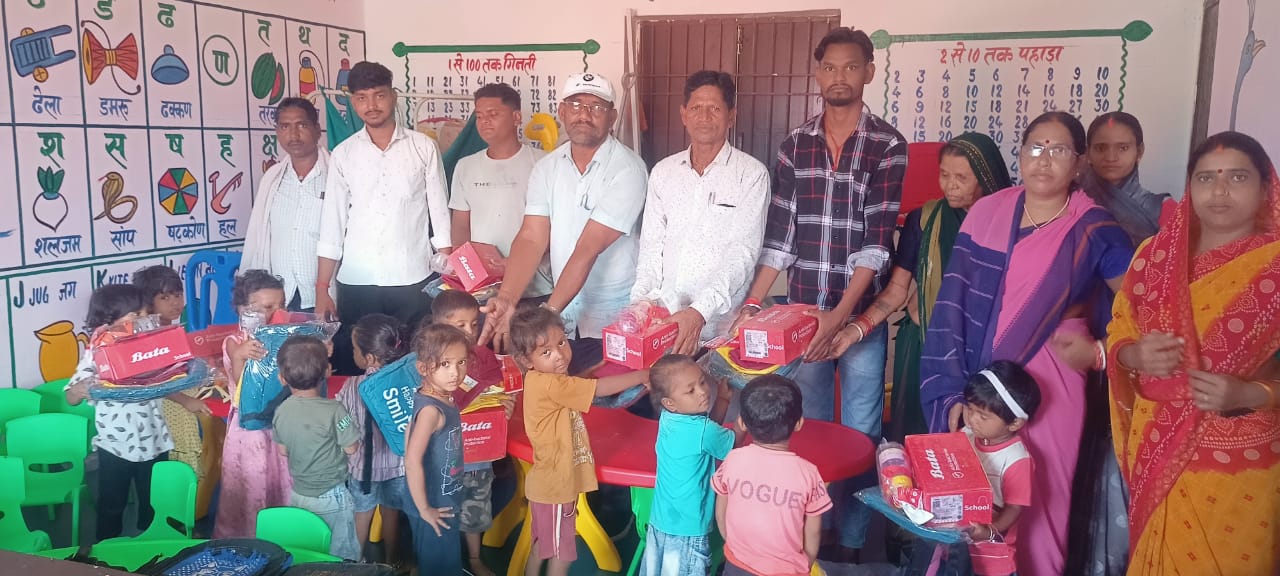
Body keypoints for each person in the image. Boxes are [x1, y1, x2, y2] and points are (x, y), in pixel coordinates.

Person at [920, 111, 1135, 576]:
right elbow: (951, 307)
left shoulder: (1094, 227)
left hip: (1055, 385)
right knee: (979, 491)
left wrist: (1100, 348)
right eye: (1035, 147)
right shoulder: (988, 211)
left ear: (1078, 163)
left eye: (1059, 150)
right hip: (982, 386)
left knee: (1044, 498)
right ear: (1020, 154)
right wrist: (953, 388)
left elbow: (1143, 304)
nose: (1044, 160)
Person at [731, 27, 907, 558]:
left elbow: (877, 244)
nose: (839, 77)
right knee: (808, 426)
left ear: (869, 73)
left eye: (850, 67)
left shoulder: (887, 145)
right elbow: (781, 239)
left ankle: (852, 539)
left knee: (858, 428)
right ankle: (813, 528)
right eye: (829, 67)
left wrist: (842, 318)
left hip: (857, 320)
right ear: (818, 74)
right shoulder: (796, 144)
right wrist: (753, 305)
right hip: (804, 317)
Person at [1109, 131, 1280, 576]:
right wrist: (1133, 356)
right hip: (1154, 446)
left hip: (1237, 464)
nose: (1219, 190)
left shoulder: (1276, 266)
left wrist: (1252, 393)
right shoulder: (1154, 255)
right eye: (1205, 178)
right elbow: (1119, 330)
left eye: (1237, 177)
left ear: (1266, 187)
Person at [831, 132, 1011, 441]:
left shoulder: (1011, 223)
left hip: (985, 351)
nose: (949, 185)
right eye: (944, 174)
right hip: (923, 347)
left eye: (961, 178)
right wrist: (855, 329)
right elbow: (897, 290)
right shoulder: (926, 219)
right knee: (917, 435)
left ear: (986, 177)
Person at [480, 73, 648, 376]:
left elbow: (588, 247)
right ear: (562, 112)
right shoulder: (547, 168)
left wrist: (548, 313)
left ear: (612, 117)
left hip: (614, 318)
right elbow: (532, 237)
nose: (584, 114)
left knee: (608, 403)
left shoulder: (628, 169)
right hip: (565, 317)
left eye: (597, 107)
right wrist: (506, 299)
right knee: (567, 405)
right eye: (576, 104)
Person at [317, 61, 452, 375]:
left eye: (378, 95)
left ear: (393, 96)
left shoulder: (422, 148)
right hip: (356, 282)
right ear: (353, 102)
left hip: (412, 280)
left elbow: (440, 215)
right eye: (362, 98)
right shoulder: (344, 154)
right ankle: (357, 424)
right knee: (354, 367)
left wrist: (446, 270)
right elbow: (332, 226)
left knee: (413, 366)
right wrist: (322, 288)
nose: (371, 105)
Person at [631, 71, 770, 354]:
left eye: (715, 108)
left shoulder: (751, 174)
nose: (704, 116)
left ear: (731, 115)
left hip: (720, 325)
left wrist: (699, 311)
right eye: (696, 108)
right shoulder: (663, 172)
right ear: (683, 114)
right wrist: (642, 302)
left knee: (714, 395)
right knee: (666, 397)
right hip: (664, 321)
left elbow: (743, 252)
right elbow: (651, 245)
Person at [509, 306, 651, 576]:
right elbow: (599, 389)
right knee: (562, 553)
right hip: (557, 487)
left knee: (544, 544)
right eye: (546, 352)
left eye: (561, 342)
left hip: (549, 485)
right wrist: (643, 375)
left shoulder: (543, 379)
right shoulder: (553, 385)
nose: (560, 355)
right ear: (526, 360)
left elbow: (581, 383)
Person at [63, 284, 209, 540]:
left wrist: (186, 401)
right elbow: (70, 397)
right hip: (115, 448)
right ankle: (106, 553)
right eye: (135, 317)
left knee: (153, 502)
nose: (143, 322)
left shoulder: (143, 347)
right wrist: (82, 389)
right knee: (111, 506)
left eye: (144, 315)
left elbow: (160, 381)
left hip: (155, 442)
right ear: (108, 321)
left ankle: (152, 543)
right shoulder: (97, 354)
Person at [712, 375, 832, 576]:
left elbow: (721, 512)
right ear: (799, 423)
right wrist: (807, 561)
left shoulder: (732, 460)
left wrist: (733, 545)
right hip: (787, 570)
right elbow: (813, 530)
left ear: (742, 422)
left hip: (736, 562)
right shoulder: (809, 474)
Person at [431, 290, 514, 576]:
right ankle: (446, 560)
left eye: (474, 325)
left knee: (475, 507)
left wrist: (505, 405)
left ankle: (475, 559)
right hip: (442, 459)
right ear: (438, 327)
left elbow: (498, 392)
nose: (469, 332)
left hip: (479, 457)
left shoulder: (483, 355)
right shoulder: (429, 363)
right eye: (460, 326)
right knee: (443, 510)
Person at [450, 83, 553, 300]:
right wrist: (465, 270)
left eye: (493, 114)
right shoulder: (465, 166)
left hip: (536, 286)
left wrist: (516, 263)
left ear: (517, 118)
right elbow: (461, 226)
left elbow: (557, 226)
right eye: (479, 116)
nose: (485, 121)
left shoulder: (544, 163)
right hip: (484, 287)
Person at [640, 355, 739, 576]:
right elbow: (730, 443)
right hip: (688, 530)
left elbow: (707, 434)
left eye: (702, 382)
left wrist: (721, 400)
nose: (702, 392)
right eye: (690, 390)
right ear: (670, 403)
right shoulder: (702, 430)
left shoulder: (668, 418)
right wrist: (745, 423)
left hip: (660, 523)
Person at [215, 270, 292, 538]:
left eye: (281, 306)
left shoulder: (284, 338)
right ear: (244, 309)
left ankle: (282, 536)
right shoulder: (235, 343)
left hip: (280, 422)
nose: (276, 313)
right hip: (249, 429)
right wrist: (240, 357)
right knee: (252, 485)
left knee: (280, 480)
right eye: (268, 307)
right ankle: (248, 541)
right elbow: (242, 388)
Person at [272, 335, 361, 560]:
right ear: (327, 372)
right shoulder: (335, 410)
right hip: (332, 494)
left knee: (309, 550)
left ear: (282, 378)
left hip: (299, 493)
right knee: (340, 554)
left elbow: (283, 451)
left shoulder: (281, 410)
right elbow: (351, 448)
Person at [242, 97, 333, 313]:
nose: (293, 135)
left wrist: (326, 289)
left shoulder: (337, 175)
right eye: (285, 127)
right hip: (281, 299)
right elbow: (258, 237)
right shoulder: (272, 179)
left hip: (326, 295)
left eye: (301, 125)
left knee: (329, 347)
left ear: (317, 129)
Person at [335, 313, 410, 566]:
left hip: (362, 470)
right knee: (392, 514)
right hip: (398, 466)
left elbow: (341, 418)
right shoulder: (406, 383)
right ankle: (391, 561)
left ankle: (355, 564)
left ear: (368, 358)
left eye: (354, 349)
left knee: (361, 516)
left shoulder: (352, 385)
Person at [403, 324, 472, 575]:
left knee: (441, 557)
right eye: (445, 364)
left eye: (461, 362)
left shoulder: (439, 396)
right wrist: (424, 509)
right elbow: (411, 461)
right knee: (439, 564)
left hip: (442, 496)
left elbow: (406, 435)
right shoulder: (432, 410)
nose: (456, 372)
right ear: (423, 368)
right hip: (434, 505)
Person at [961, 361, 1041, 576]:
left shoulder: (1017, 459)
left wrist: (988, 531)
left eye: (983, 416)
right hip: (958, 547)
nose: (972, 420)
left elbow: (1014, 509)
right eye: (970, 409)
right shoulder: (966, 435)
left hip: (993, 558)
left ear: (1014, 423)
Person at [1081, 112, 1171, 245]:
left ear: (1139, 151)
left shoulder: (1163, 208)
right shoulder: (1070, 203)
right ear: (1088, 153)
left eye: (1123, 148)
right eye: (1100, 148)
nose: (1111, 157)